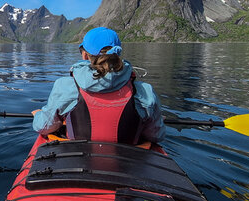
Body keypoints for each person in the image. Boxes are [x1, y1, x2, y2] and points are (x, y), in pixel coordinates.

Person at [32, 27, 166, 145]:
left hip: (77, 159)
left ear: (84, 55)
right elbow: (156, 136)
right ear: (117, 55)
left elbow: (44, 127)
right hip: (128, 164)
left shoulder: (65, 86)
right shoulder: (145, 91)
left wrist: (39, 115)